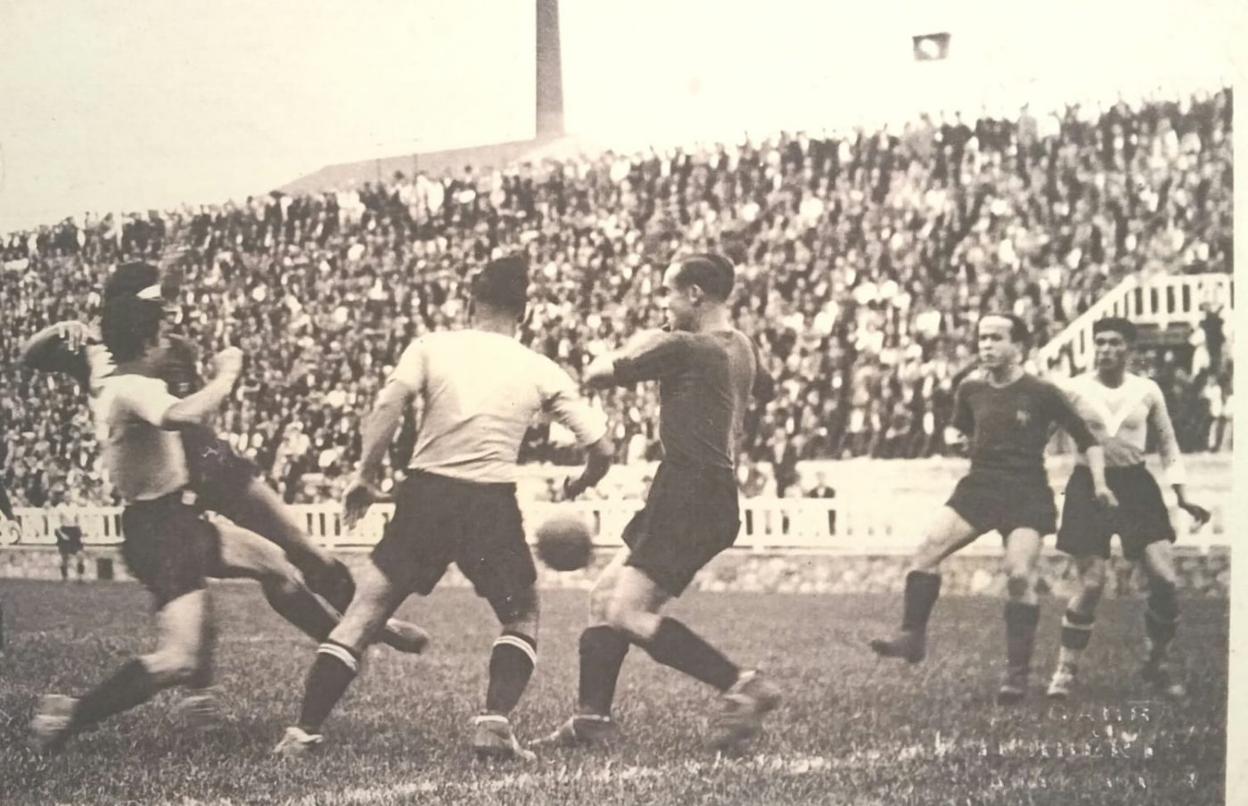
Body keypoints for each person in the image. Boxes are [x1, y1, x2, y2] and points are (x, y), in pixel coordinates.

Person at [273, 255, 613, 761]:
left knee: (365, 613)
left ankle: (302, 733)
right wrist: (582, 481)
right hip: (490, 503)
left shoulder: (431, 346)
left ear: (472, 301)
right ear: (523, 311)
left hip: (426, 495)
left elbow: (388, 405)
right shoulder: (540, 368)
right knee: (521, 614)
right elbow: (602, 449)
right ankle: (494, 722)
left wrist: (365, 475)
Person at [20, 261, 428, 656]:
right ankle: (338, 645)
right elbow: (30, 356)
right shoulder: (93, 352)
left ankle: (376, 626)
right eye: (159, 301)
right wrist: (60, 328)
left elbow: (190, 409)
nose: (169, 311)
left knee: (301, 548)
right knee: (233, 578)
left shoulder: (170, 345)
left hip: (209, 463)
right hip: (167, 483)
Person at [537, 253, 780, 753]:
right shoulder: (742, 345)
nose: (663, 304)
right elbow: (764, 389)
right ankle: (591, 719)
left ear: (694, 294)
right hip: (704, 488)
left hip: (689, 489)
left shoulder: (685, 345)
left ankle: (742, 685)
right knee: (604, 597)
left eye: (668, 292)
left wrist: (654, 336)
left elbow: (597, 373)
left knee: (626, 613)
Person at [29, 290, 248, 752]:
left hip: (170, 517)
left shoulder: (104, 367)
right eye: (162, 333)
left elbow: (33, 356)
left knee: (276, 567)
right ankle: (70, 715)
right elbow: (184, 413)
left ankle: (201, 699)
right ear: (145, 340)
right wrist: (228, 374)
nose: (169, 340)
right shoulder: (132, 385)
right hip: (162, 526)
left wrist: (57, 332)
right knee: (179, 657)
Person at [869, 313, 1115, 704]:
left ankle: (1016, 677)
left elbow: (1088, 439)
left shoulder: (1042, 392)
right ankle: (912, 635)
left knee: (1018, 575)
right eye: (982, 338)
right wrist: (957, 438)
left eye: (996, 338)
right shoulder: (970, 388)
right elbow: (962, 428)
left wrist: (1100, 483)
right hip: (980, 486)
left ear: (1019, 346)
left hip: (1026, 491)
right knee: (927, 550)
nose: (986, 345)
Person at [1045, 317, 1210, 701]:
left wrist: (1183, 495)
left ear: (1130, 349)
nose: (1105, 349)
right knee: (1092, 584)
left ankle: (1158, 660)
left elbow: (1168, 444)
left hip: (1137, 485)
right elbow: (1041, 435)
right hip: (1087, 485)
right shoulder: (1073, 389)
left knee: (1165, 579)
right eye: (1100, 342)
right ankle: (1065, 670)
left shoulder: (1146, 390)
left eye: (1114, 343)